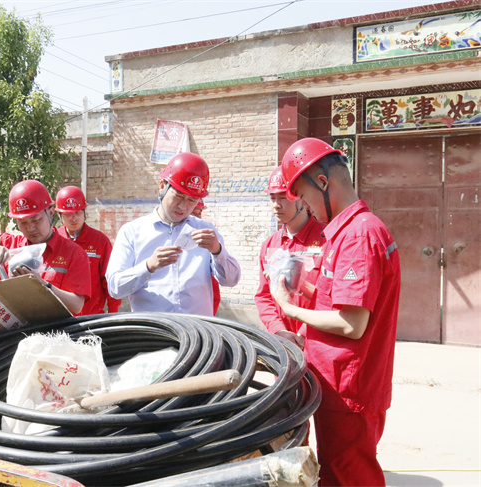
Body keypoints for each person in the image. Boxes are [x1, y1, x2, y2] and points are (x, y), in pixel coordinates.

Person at [272, 138, 401, 487]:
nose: (306, 207)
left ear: (324, 182)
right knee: (334, 474)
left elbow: (352, 323)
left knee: (351, 477)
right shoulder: (345, 233)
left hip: (349, 389)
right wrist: (305, 305)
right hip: (338, 383)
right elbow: (343, 302)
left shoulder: (359, 234)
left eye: (304, 195)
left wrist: (288, 306)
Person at [106, 152, 241, 315]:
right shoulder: (132, 232)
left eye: (192, 200)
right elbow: (114, 287)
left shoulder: (206, 231)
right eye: (178, 196)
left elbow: (231, 280)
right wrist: (148, 266)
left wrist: (218, 251)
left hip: (199, 334)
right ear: (162, 186)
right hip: (154, 335)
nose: (183, 207)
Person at [254, 166, 325, 349]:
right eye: (272, 198)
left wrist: (304, 332)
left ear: (302, 200)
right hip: (282, 344)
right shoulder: (270, 245)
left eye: (283, 197)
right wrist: (279, 331)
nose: (276, 205)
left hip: (318, 341)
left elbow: (328, 298)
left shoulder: (327, 240)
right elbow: (263, 296)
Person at [0, 179, 91, 315]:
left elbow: (76, 305)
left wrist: (43, 285)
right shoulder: (8, 244)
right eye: (22, 222)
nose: (30, 228)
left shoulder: (74, 253)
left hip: (54, 332)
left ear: (51, 213)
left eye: (36, 220)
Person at [55, 185, 122, 316]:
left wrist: (113, 313)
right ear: (59, 215)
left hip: (92, 317)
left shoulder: (100, 241)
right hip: (60, 319)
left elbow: (109, 280)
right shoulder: (54, 241)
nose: (74, 218)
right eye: (68, 214)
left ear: (84, 212)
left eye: (78, 213)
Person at [192, 199, 221, 316]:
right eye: (191, 213)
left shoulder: (207, 245)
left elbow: (214, 295)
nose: (194, 219)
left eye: (198, 214)